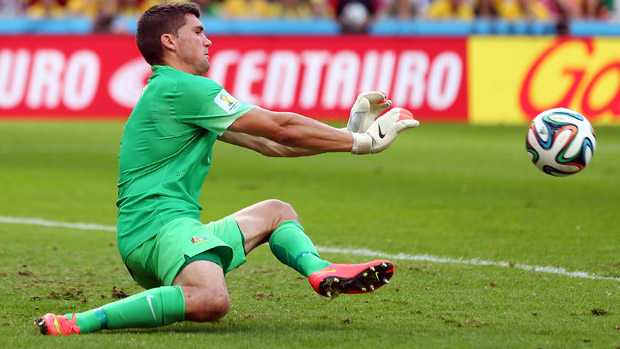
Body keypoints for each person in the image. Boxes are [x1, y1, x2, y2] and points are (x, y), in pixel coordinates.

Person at [35, 1, 419, 335]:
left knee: (276, 212)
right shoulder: (183, 88)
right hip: (158, 228)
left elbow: (271, 145)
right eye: (198, 31)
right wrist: (362, 144)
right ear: (170, 42)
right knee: (211, 300)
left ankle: (320, 271)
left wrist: (344, 133)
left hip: (165, 229)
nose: (208, 40)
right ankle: (82, 321)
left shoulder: (175, 92)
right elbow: (279, 127)